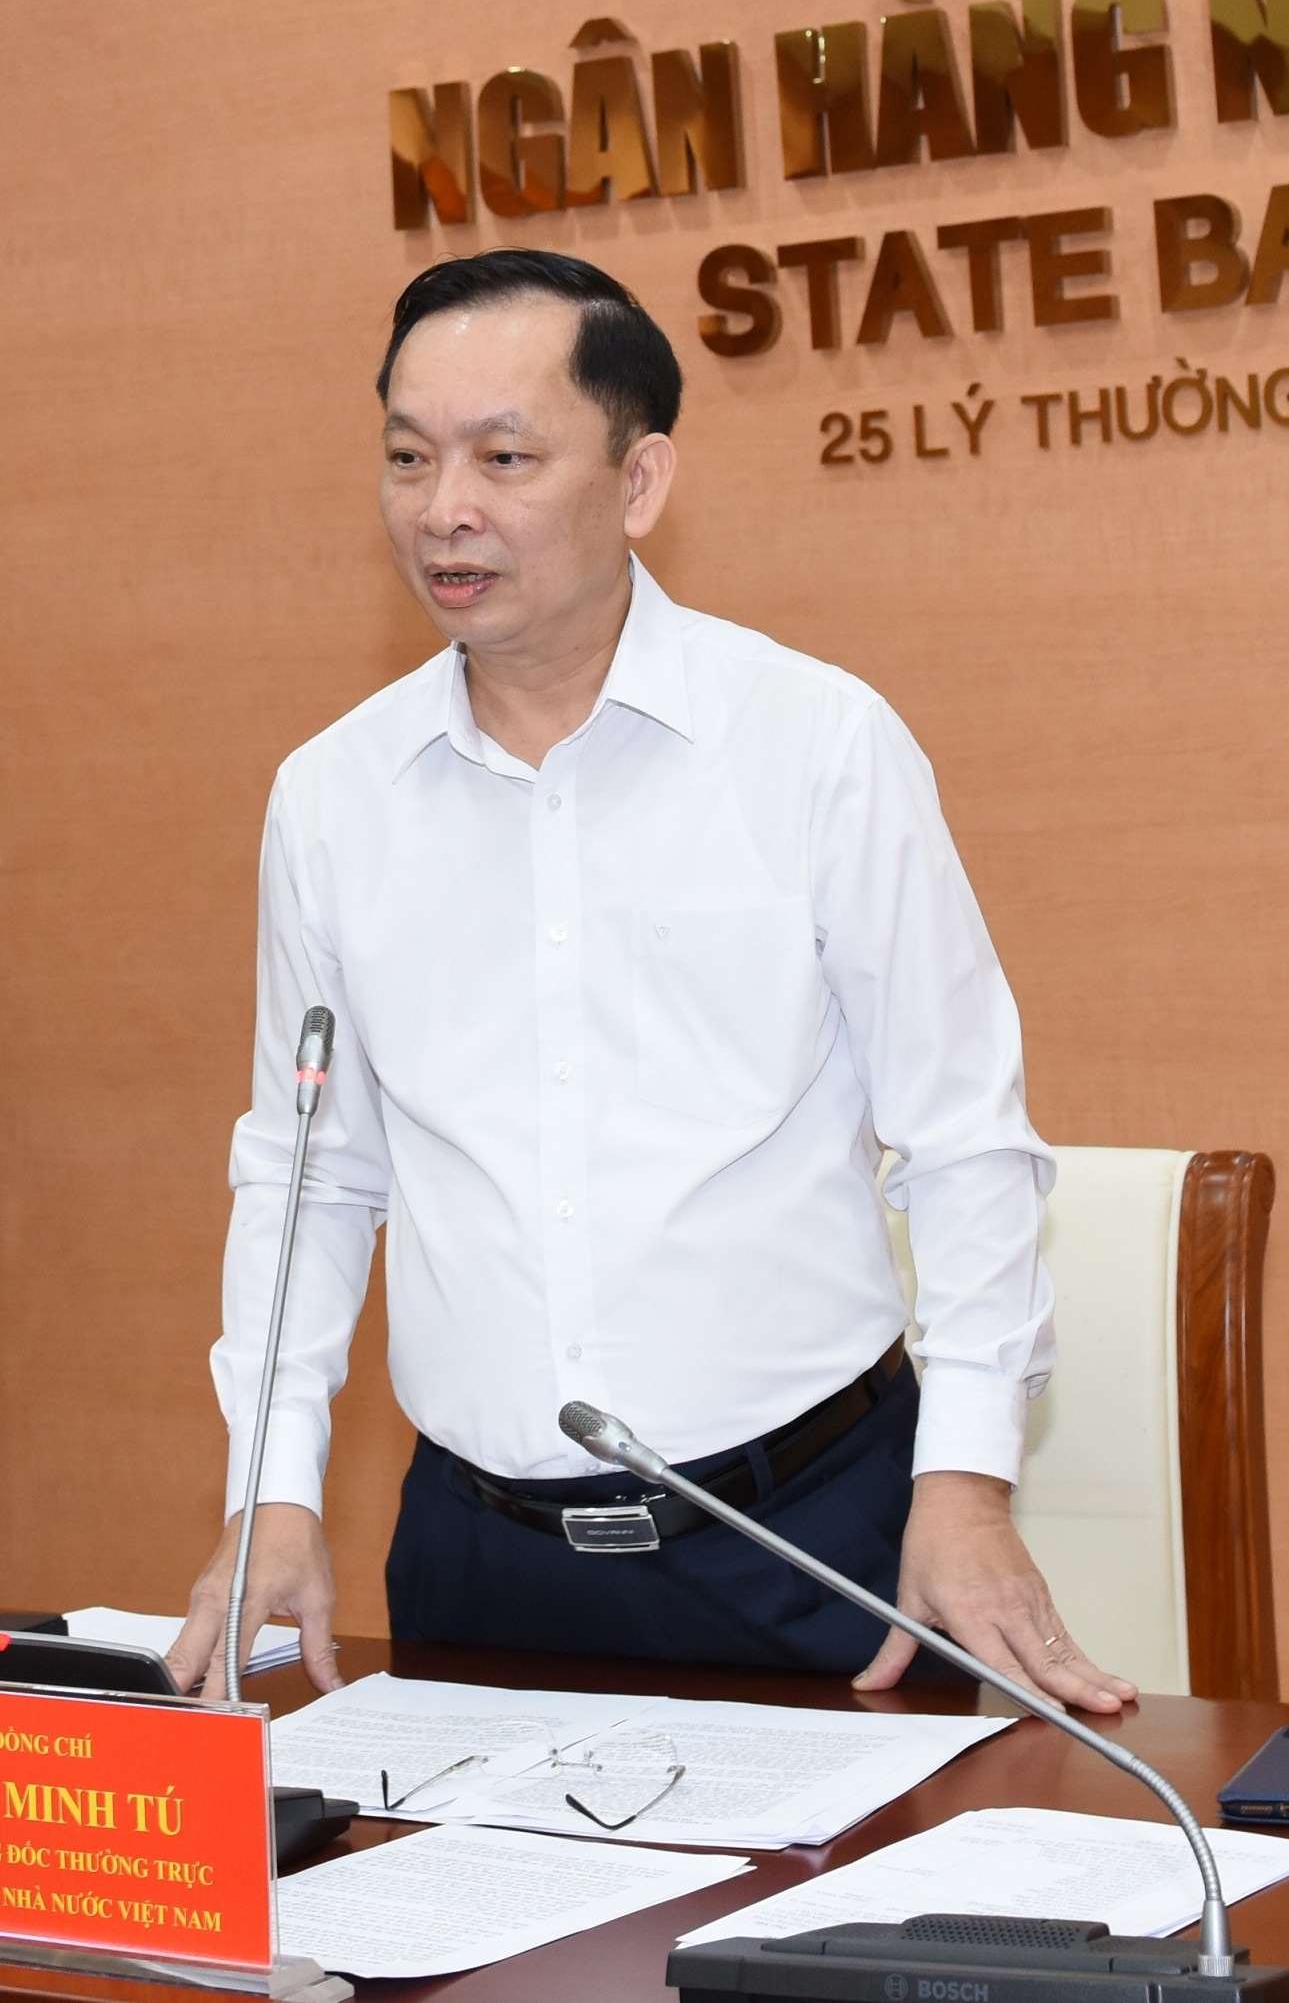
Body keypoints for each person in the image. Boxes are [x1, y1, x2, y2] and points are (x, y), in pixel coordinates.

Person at [166, 249, 1130, 1715]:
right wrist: (272, 1487)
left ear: (639, 480)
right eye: (410, 457)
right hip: (475, 1555)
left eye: (504, 457)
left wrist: (966, 1482)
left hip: (807, 1539)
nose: (444, 508)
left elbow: (962, 1136)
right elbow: (309, 1171)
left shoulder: (816, 743)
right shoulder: (332, 796)